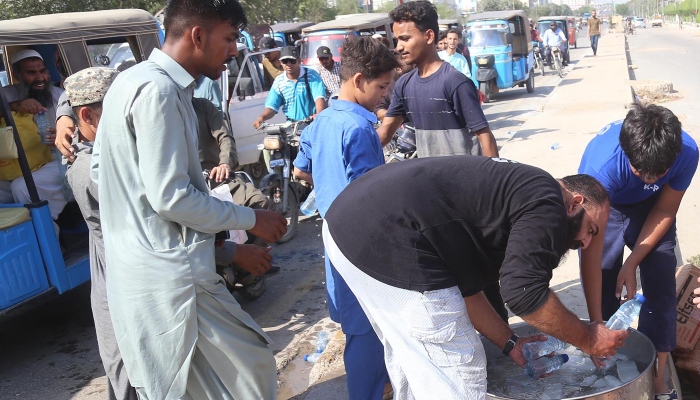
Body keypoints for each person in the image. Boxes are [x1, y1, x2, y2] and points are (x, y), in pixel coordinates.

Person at [90, 1, 288, 398]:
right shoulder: (158, 92)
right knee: (252, 371)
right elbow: (170, 198)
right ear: (198, 35)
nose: (235, 50)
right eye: (229, 38)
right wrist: (249, 218)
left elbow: (101, 174)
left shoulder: (133, 82)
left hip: (146, 273)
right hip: (174, 280)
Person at [322, 156, 630, 398]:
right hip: (385, 233)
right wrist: (588, 338)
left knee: (419, 362)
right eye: (590, 229)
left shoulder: (511, 200)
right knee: (459, 371)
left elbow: (466, 292)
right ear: (575, 202)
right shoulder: (547, 201)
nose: (586, 243)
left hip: (348, 225)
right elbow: (524, 294)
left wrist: (510, 343)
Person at [293, 36, 400, 400]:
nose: (385, 95)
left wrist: (328, 184)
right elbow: (373, 197)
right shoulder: (358, 129)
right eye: (382, 86)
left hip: (332, 236)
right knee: (367, 330)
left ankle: (379, 387)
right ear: (358, 81)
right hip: (361, 242)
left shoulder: (322, 121)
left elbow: (301, 169)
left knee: (357, 324)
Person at [579, 104, 698, 400]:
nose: (648, 178)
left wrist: (632, 263)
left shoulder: (687, 152)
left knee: (661, 288)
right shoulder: (602, 167)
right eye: (640, 171)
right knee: (605, 284)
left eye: (658, 173)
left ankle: (658, 378)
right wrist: (595, 327)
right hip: (607, 203)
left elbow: (665, 209)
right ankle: (609, 368)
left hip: (652, 207)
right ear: (627, 155)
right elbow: (590, 255)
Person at [63, 67, 137, 400]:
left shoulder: (90, 155)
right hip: (126, 283)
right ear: (88, 116)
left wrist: (62, 112)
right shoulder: (93, 168)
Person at [377, 0, 498, 159]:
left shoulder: (454, 82)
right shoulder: (404, 85)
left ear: (428, 36)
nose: (399, 47)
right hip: (431, 180)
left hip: (464, 179)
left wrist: (493, 180)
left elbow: (485, 137)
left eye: (405, 39)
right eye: (397, 40)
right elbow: (385, 133)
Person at [0, 49, 67, 226]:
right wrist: (14, 106)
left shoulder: (59, 95)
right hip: (22, 162)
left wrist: (61, 136)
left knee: (21, 187)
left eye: (42, 71)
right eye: (31, 73)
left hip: (58, 158)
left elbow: (81, 133)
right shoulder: (8, 94)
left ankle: (51, 239)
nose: (40, 78)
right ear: (17, 75)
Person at [253, 46, 326, 129]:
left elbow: (319, 98)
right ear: (281, 62)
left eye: (292, 61)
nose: (288, 64)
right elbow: (272, 107)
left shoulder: (311, 75)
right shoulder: (279, 81)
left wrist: (318, 115)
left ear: (298, 61)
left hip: (312, 124)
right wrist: (261, 118)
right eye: (285, 61)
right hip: (291, 126)